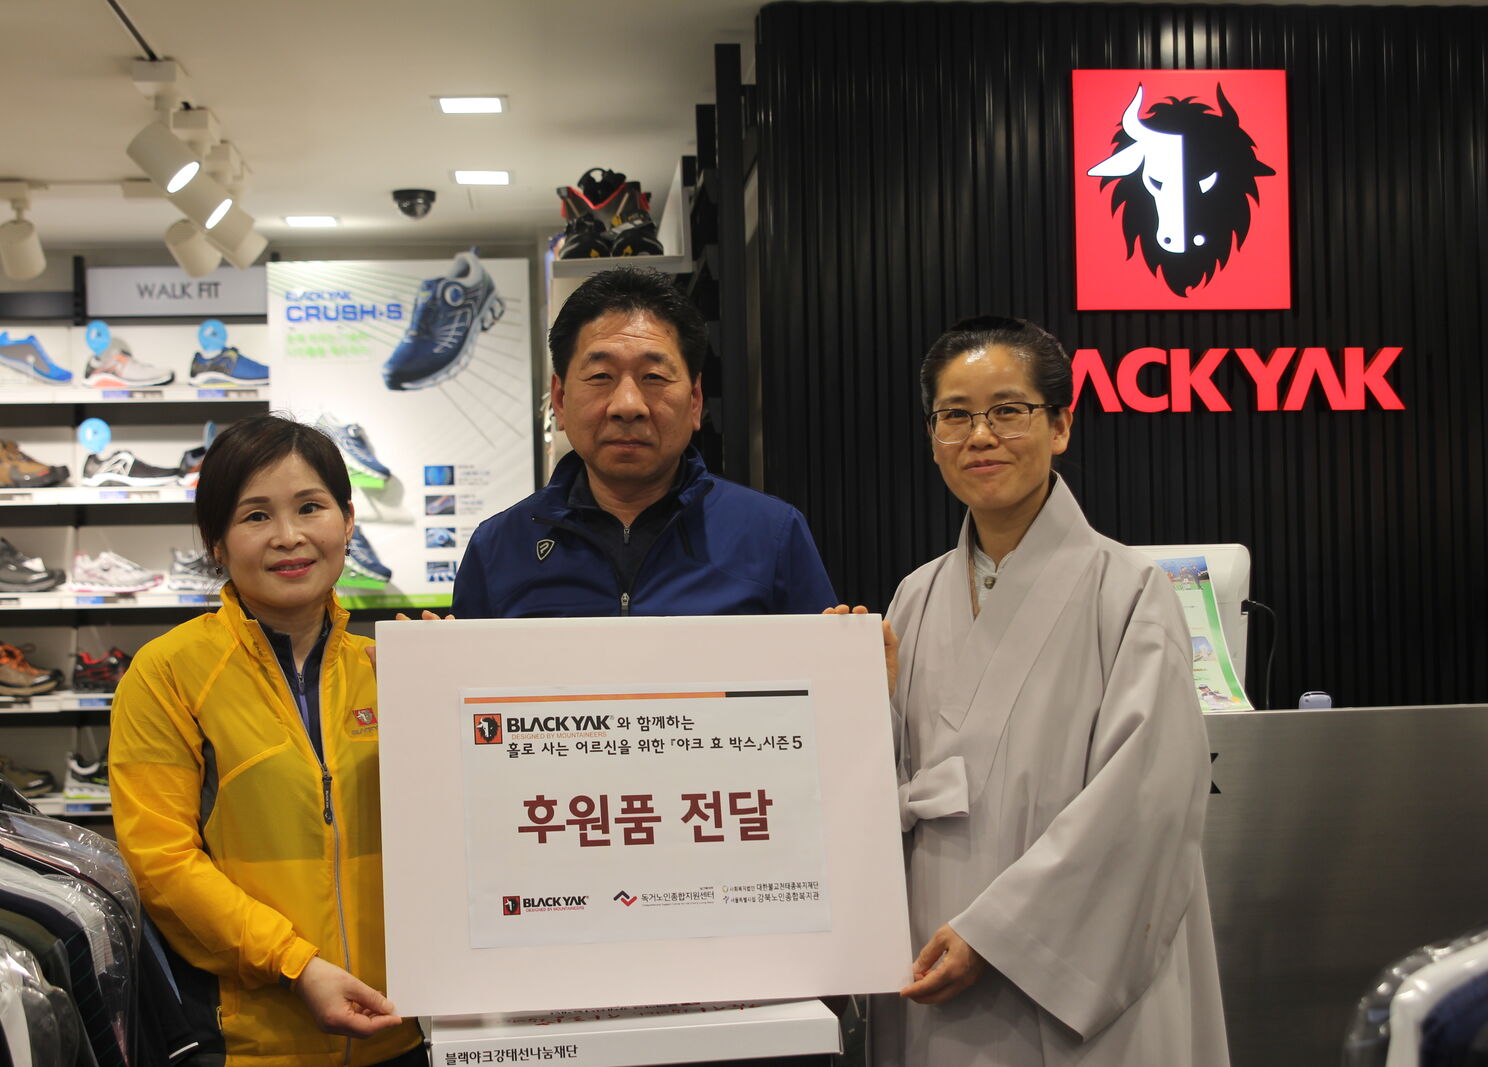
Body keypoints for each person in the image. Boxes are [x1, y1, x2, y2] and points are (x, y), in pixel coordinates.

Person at [848, 317, 1229, 1065]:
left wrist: (998, 934)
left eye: (1008, 411)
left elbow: (1147, 801)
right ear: (932, 437)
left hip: (1061, 961)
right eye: (955, 415)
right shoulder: (914, 597)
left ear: (1060, 425)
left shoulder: (1129, 590)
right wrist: (857, 701)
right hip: (930, 939)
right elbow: (893, 779)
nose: (980, 436)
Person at [109, 414, 423, 1065]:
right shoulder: (167, 674)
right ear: (216, 543)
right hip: (252, 1041)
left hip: (406, 1027)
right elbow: (161, 863)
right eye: (256, 516)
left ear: (347, 521)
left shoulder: (391, 669)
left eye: (310, 507)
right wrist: (296, 965)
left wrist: (456, 704)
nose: (289, 536)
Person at [449, 265, 836, 618]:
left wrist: (853, 659)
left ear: (695, 400)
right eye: (600, 376)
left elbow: (819, 671)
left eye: (654, 377)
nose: (628, 406)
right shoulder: (497, 548)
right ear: (561, 400)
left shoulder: (772, 534)